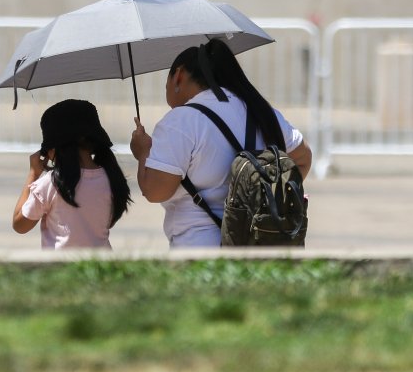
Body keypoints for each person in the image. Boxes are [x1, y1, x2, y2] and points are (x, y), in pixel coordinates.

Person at [129, 39, 313, 247]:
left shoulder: (180, 121)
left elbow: (155, 191)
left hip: (199, 252)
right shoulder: (260, 110)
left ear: (178, 76)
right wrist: (264, 197)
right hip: (262, 250)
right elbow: (303, 158)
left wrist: (143, 152)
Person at [12, 99, 132, 249]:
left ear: (54, 149)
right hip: (102, 268)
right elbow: (109, 221)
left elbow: (20, 225)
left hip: (62, 270)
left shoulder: (51, 183)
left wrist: (33, 173)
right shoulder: (111, 178)